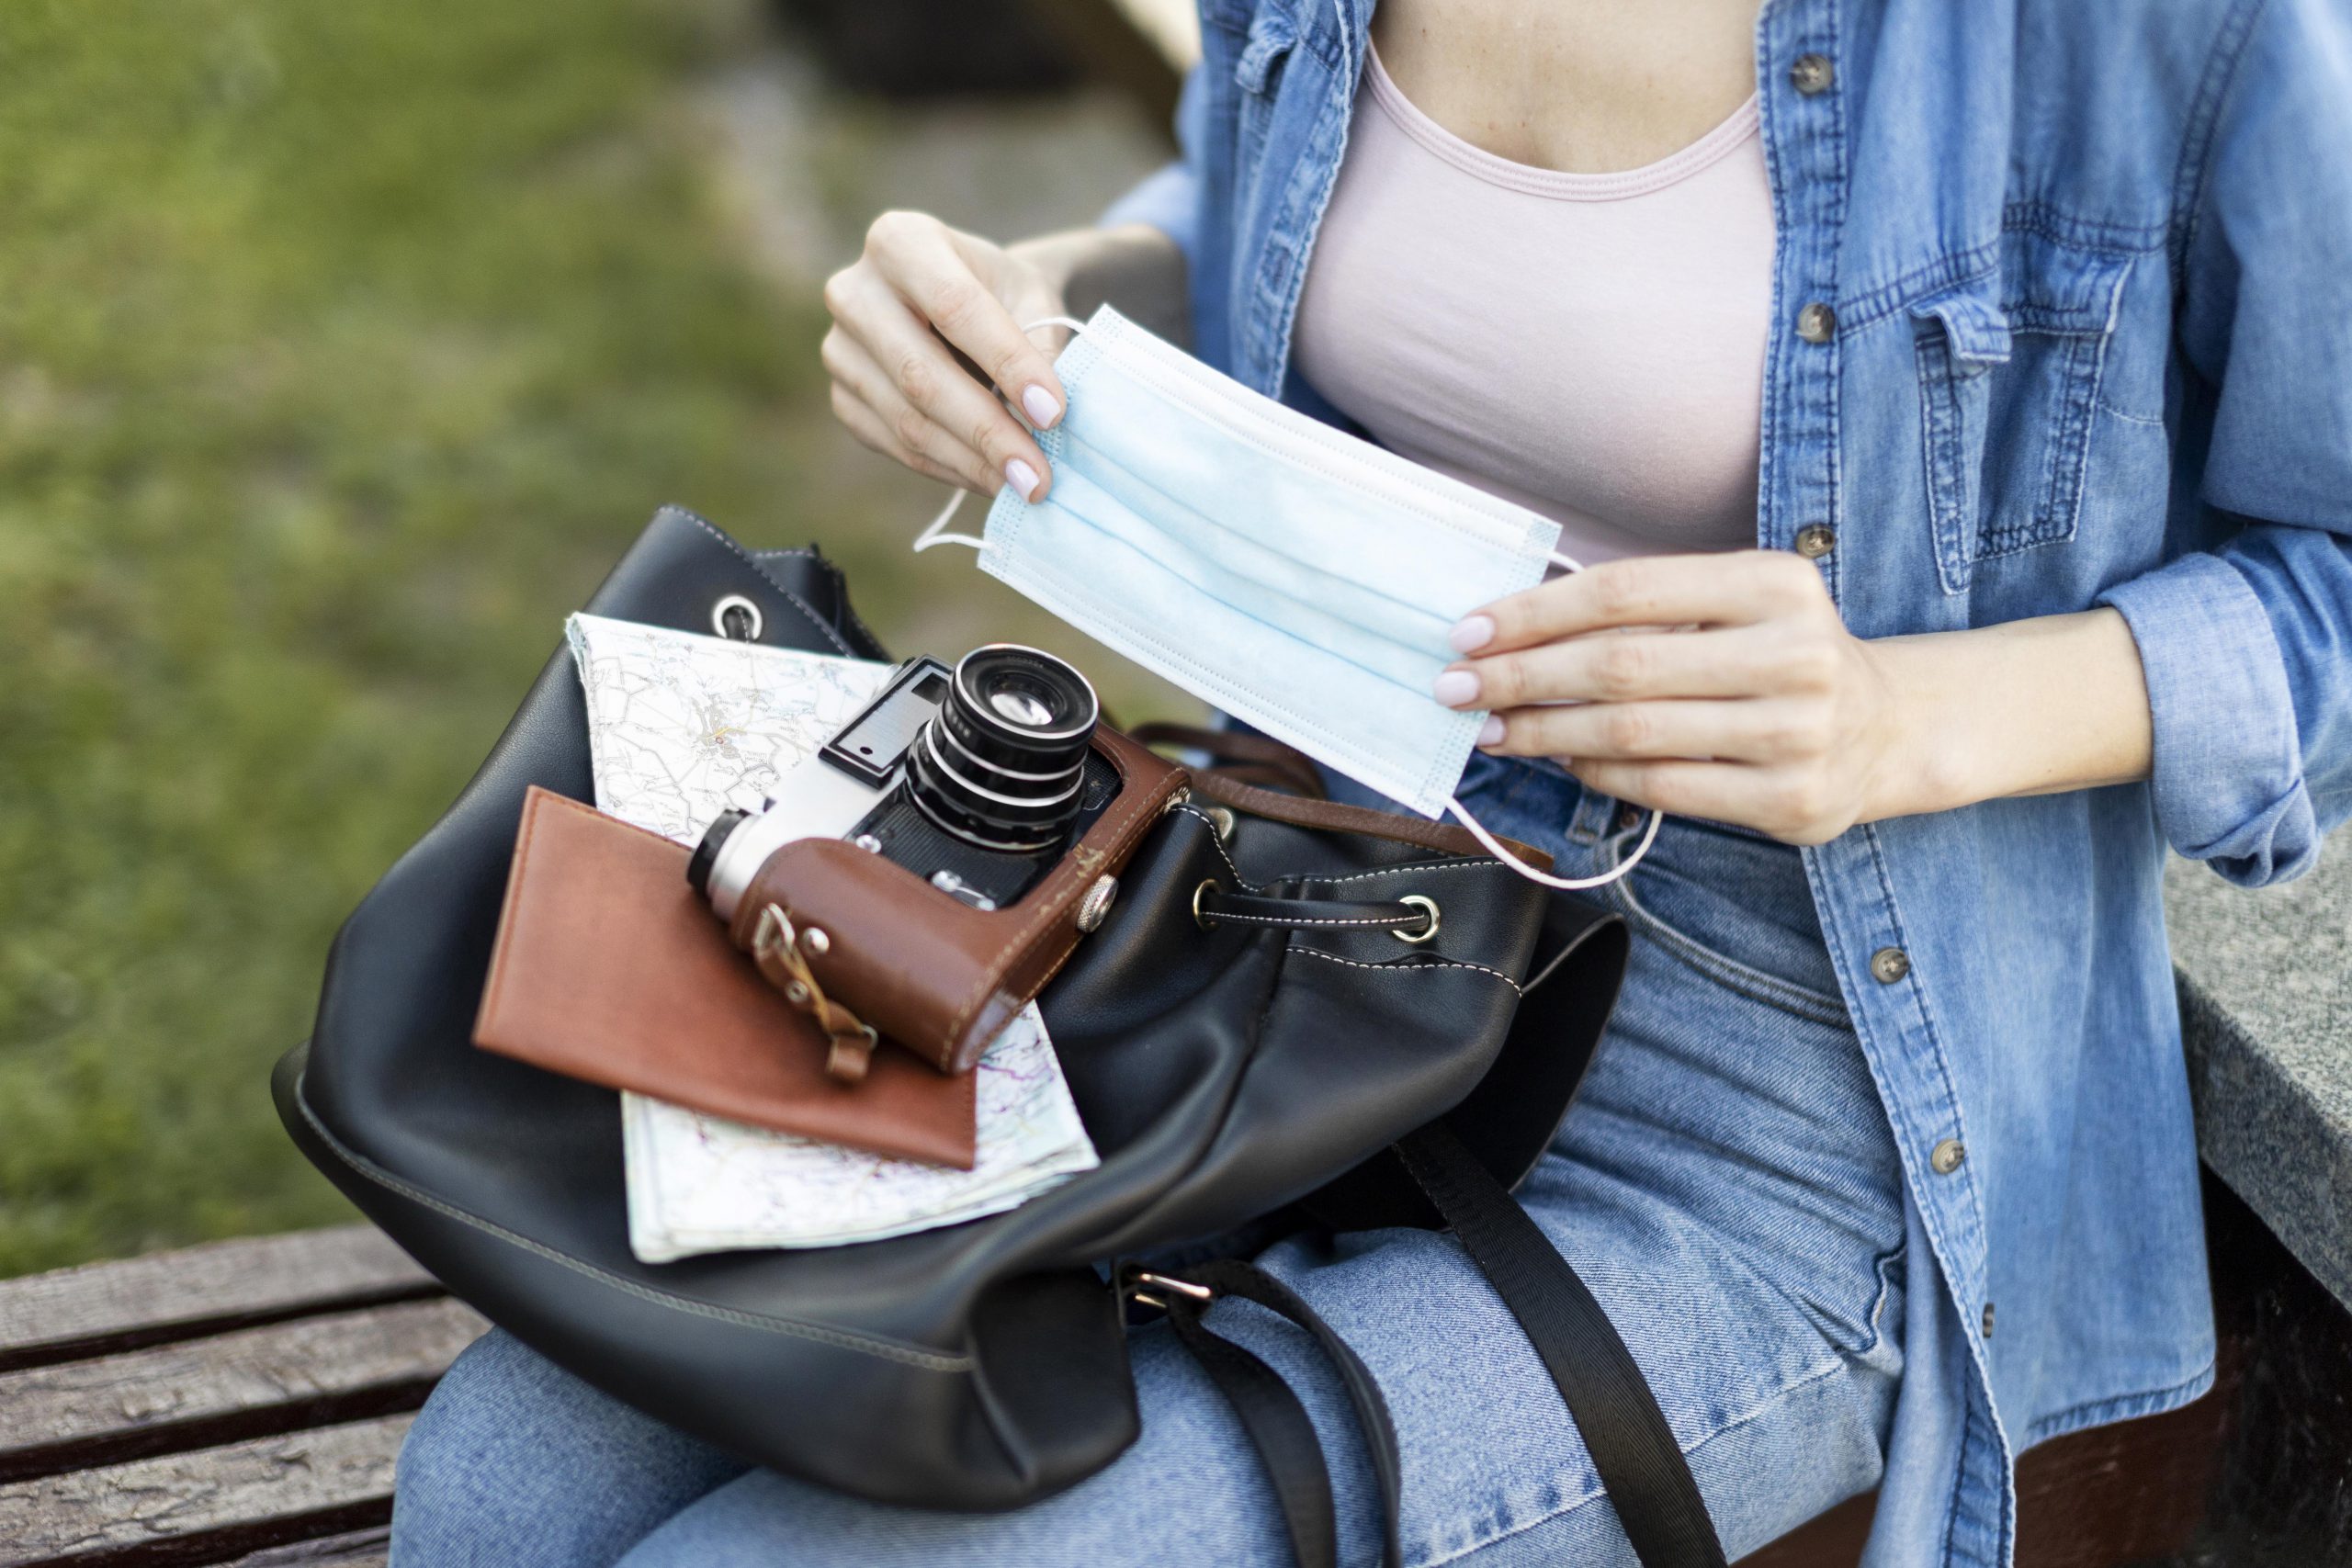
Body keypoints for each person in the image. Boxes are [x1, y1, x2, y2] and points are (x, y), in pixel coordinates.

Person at [389, 0, 2352, 1563]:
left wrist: (1897, 718)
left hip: (1792, 1091)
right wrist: (1039, 301)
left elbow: (2323, 572)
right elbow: (1249, 183)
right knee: (499, 1493)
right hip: (1301, 929)